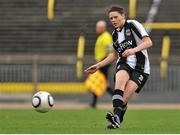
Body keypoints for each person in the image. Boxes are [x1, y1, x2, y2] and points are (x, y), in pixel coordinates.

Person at [85, 5, 152, 129]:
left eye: (116, 17)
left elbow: (148, 42)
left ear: (123, 16)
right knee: (119, 83)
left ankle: (118, 119)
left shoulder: (132, 25)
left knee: (123, 99)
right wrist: (98, 65)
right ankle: (116, 119)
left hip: (141, 68)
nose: (114, 20)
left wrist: (133, 51)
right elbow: (114, 55)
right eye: (111, 18)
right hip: (124, 63)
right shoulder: (114, 34)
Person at [90, 20, 114, 108]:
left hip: (104, 64)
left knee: (101, 83)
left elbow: (109, 52)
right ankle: (93, 104)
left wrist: (100, 63)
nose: (96, 29)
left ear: (102, 28)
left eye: (98, 27)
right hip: (100, 63)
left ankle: (119, 100)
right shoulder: (101, 37)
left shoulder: (106, 37)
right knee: (100, 83)